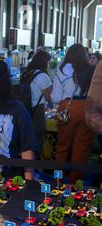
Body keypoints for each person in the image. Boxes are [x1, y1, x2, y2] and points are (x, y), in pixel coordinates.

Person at [52, 43, 95, 183]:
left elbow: (55, 97)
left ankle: (58, 181)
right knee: (81, 148)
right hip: (87, 109)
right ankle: (75, 183)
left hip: (67, 108)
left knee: (62, 147)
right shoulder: (91, 70)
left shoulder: (63, 70)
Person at [20, 50, 53, 153]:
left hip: (25, 108)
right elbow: (49, 97)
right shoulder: (43, 76)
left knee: (26, 137)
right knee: (37, 137)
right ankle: (35, 163)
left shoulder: (28, 73)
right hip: (37, 111)